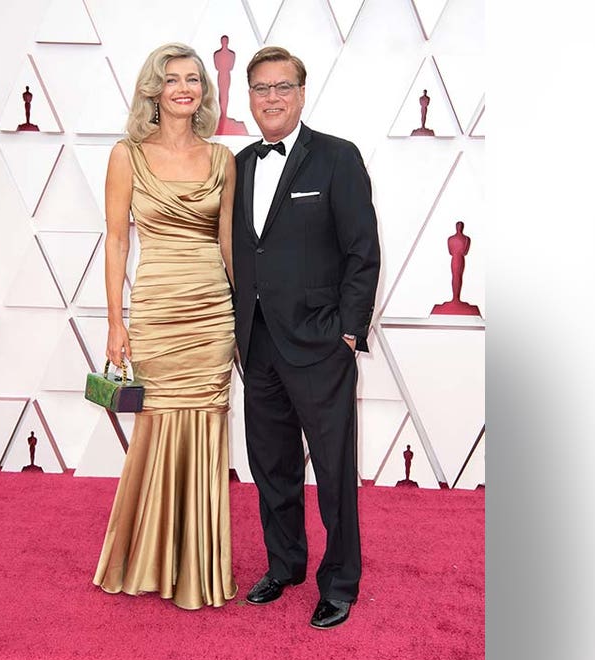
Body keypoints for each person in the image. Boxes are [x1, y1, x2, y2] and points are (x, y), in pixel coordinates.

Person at [232, 46, 380, 629]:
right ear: (249, 96)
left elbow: (362, 251)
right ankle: (285, 563)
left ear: (301, 92)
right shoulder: (239, 164)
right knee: (272, 465)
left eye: (283, 87)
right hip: (260, 345)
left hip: (321, 343)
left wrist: (348, 332)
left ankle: (340, 581)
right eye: (262, 88)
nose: (272, 97)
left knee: (335, 471)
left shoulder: (338, 159)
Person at [92, 43, 239, 610]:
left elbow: (227, 244)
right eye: (172, 79)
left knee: (206, 424)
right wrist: (114, 321)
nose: (185, 88)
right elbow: (117, 239)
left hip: (210, 311)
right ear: (153, 89)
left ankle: (197, 565)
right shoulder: (126, 155)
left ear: (205, 90)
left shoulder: (223, 159)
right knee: (154, 426)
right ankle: (147, 556)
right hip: (156, 306)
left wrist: (246, 316)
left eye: (194, 79)